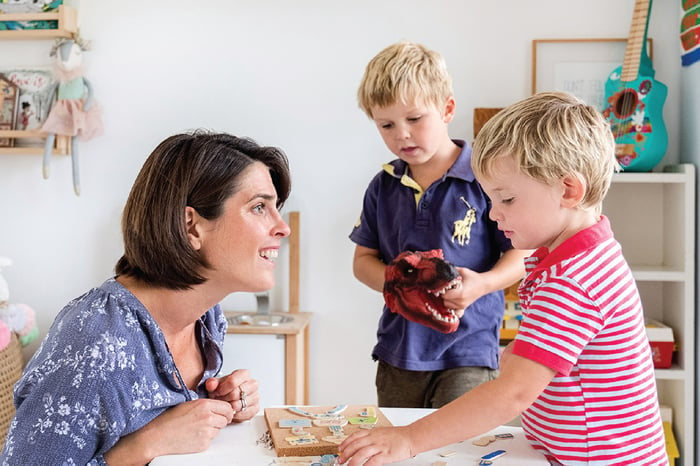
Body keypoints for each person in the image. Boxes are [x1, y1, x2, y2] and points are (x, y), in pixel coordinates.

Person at [339, 92, 668, 466]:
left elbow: (511, 395)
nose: (494, 215)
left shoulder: (573, 281)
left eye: (507, 199)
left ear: (568, 190)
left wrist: (409, 439)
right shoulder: (580, 258)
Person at [0, 131, 292, 465]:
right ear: (191, 227)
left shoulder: (207, 318)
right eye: (259, 207)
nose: (283, 228)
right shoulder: (95, 341)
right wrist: (146, 444)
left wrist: (220, 403)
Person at [349, 41, 529, 409]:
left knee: (457, 450)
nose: (402, 134)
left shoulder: (486, 177)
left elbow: (521, 255)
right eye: (386, 124)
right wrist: (396, 283)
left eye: (414, 119)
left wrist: (482, 285)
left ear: (447, 109)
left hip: (470, 350)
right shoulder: (382, 186)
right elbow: (362, 260)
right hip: (399, 352)